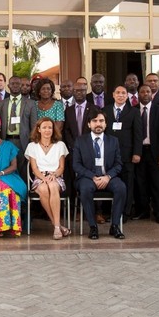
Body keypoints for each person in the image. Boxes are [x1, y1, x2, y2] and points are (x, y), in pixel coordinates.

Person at [74, 108, 126, 239]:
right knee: (85, 189)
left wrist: (107, 177)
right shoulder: (80, 141)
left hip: (108, 176)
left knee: (121, 187)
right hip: (88, 177)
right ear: (88, 124)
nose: (98, 124)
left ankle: (114, 226)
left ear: (106, 124)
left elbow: (118, 164)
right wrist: (92, 177)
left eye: (101, 121)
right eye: (95, 121)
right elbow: (76, 165)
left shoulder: (113, 141)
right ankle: (93, 227)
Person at [24, 117, 71, 239]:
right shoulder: (32, 146)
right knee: (44, 188)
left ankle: (56, 227)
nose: (47, 130)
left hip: (55, 176)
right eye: (44, 127)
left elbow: (61, 167)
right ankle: (57, 225)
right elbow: (34, 168)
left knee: (53, 186)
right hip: (39, 177)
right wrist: (43, 178)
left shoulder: (60, 145)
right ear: (38, 129)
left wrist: (53, 175)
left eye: (50, 127)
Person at [104, 86, 142, 221]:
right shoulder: (106, 110)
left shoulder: (134, 112)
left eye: (123, 93)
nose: (120, 95)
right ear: (113, 95)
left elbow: (138, 134)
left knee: (127, 184)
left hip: (127, 154)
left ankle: (125, 213)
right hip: (109, 155)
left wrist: (137, 153)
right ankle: (110, 212)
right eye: (118, 93)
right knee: (110, 183)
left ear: (127, 96)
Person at [134, 83, 159, 223]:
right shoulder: (133, 110)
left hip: (155, 153)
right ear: (138, 94)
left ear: (152, 94)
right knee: (140, 183)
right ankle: (143, 211)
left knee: (157, 184)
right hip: (139, 152)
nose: (145, 94)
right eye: (142, 92)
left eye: (148, 92)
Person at [63, 82, 90, 217]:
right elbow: (66, 130)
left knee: (89, 178)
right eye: (77, 90)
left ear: (86, 91)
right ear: (73, 92)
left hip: (89, 151)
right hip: (73, 151)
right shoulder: (68, 110)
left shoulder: (94, 109)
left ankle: (91, 211)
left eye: (83, 90)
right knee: (73, 180)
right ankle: (75, 210)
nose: (80, 93)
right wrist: (73, 145)